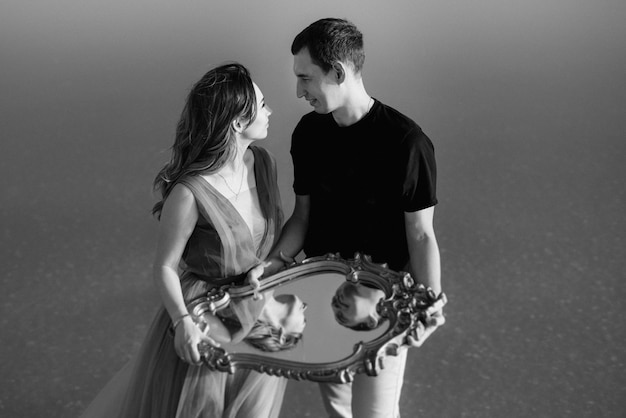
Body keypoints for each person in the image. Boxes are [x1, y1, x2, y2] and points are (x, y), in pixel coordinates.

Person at [250, 18, 446, 418]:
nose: (298, 91)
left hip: (382, 310)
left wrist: (428, 303)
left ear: (338, 71)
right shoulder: (307, 133)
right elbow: (302, 218)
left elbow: (421, 236)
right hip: (319, 304)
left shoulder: (408, 143)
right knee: (338, 411)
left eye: (306, 78)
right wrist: (272, 264)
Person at [80, 62, 291, 418]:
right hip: (207, 320)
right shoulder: (189, 192)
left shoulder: (264, 163)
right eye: (263, 104)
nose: (271, 111)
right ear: (238, 123)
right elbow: (165, 266)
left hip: (259, 314)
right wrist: (183, 323)